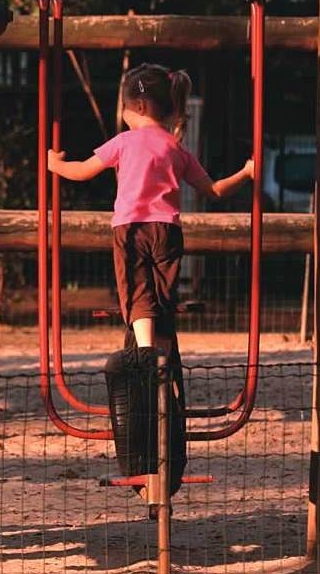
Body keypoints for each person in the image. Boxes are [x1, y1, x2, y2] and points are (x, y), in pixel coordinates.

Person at [47, 63, 254, 355]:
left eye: (124, 107)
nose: (122, 113)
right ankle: (164, 356)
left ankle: (146, 353)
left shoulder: (124, 141)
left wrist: (55, 164)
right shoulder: (176, 148)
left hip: (131, 228)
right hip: (167, 230)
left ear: (140, 106)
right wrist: (246, 172)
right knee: (163, 296)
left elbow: (82, 170)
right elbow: (215, 190)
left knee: (138, 291)